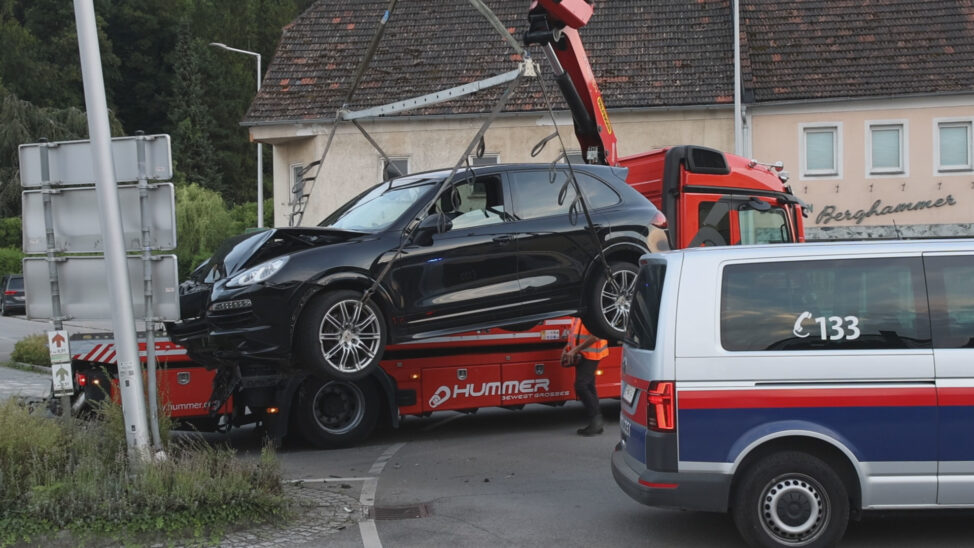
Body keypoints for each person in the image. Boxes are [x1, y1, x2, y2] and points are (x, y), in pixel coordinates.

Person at [561, 316, 609, 436]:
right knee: (589, 386)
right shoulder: (578, 316)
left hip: (592, 355)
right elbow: (574, 336)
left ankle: (596, 420)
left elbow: (596, 336)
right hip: (582, 354)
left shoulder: (592, 316)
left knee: (581, 385)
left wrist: (574, 350)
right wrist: (566, 349)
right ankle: (596, 423)